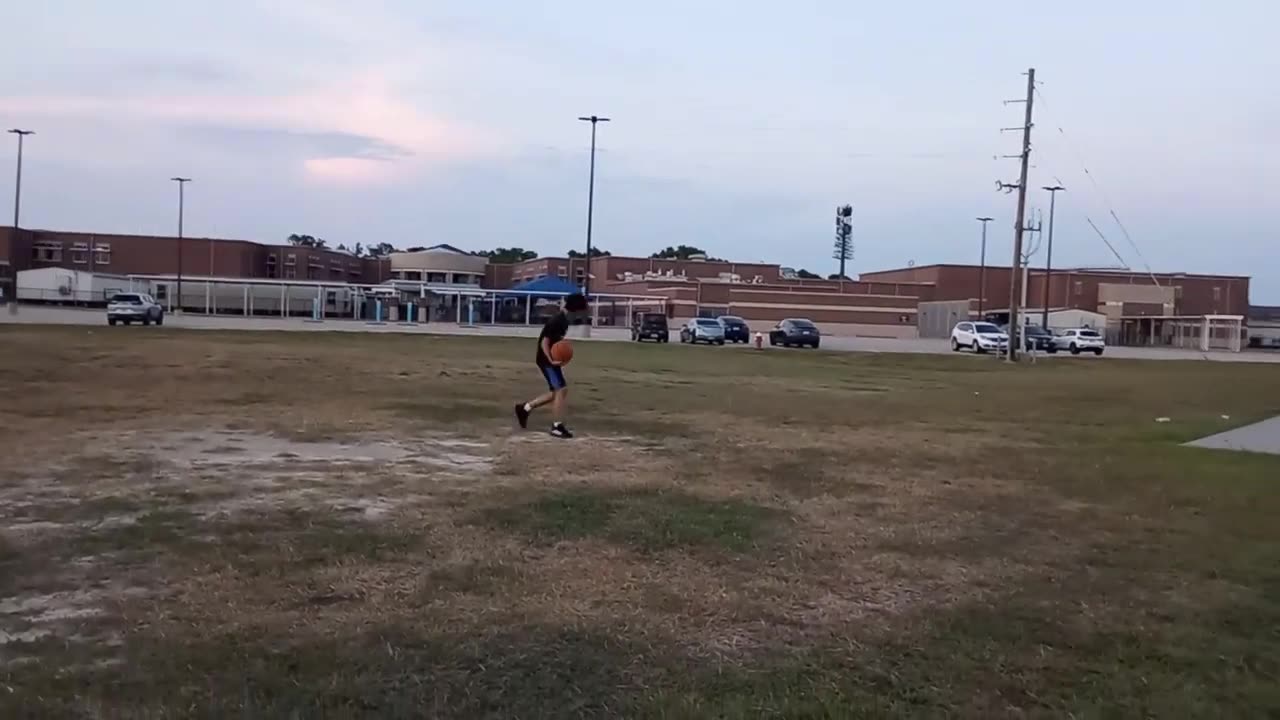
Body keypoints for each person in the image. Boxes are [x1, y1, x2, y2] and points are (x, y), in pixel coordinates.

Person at [514, 292, 589, 438]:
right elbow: (544, 342)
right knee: (561, 390)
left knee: (557, 392)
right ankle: (557, 426)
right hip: (546, 360)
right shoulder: (558, 320)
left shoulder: (565, 320)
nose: (582, 314)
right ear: (576, 309)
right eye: (581, 310)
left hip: (550, 360)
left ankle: (525, 408)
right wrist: (551, 360)